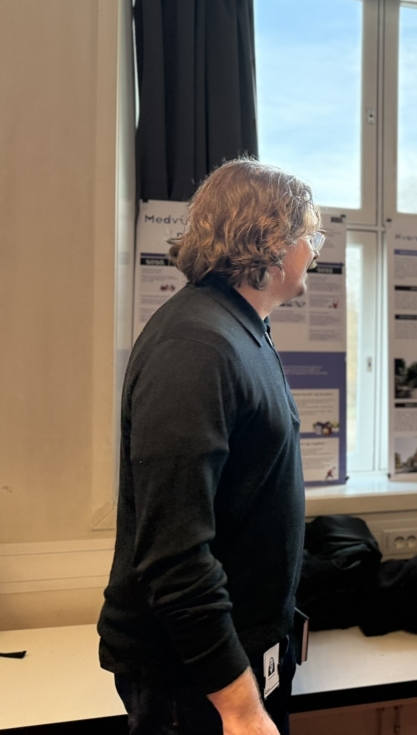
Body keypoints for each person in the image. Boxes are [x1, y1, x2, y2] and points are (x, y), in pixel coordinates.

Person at [98, 159, 324, 735]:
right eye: (310, 236)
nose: (315, 252)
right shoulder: (196, 346)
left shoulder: (240, 330)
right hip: (195, 683)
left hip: (242, 656)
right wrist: (240, 708)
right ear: (272, 242)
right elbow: (174, 555)